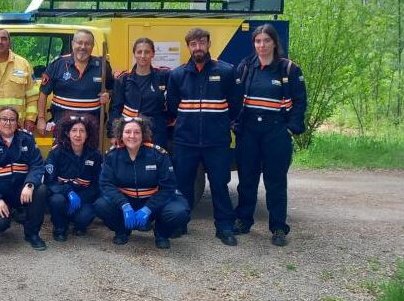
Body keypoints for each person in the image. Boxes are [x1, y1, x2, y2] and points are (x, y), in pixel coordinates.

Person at [166, 27, 241, 246]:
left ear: (208, 44)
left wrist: (221, 125)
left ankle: (224, 227)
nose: (198, 47)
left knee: (219, 184)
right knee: (184, 184)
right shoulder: (178, 74)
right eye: (193, 43)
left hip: (216, 141)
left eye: (201, 42)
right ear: (188, 46)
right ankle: (181, 223)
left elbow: (236, 105)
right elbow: (172, 106)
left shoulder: (226, 71)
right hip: (185, 141)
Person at [233, 24, 307, 247]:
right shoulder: (246, 66)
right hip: (249, 131)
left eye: (266, 41)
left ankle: (277, 227)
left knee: (275, 182)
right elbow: (235, 98)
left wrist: (290, 129)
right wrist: (236, 123)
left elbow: (300, 102)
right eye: (258, 41)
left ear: (275, 43)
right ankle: (244, 220)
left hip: (276, 131)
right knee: (247, 179)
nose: (262, 45)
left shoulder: (289, 70)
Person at [93, 118, 190, 249]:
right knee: (101, 205)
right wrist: (124, 205)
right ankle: (122, 231)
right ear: (121, 134)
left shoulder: (158, 154)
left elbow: (168, 187)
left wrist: (148, 208)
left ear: (143, 134)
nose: (132, 136)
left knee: (179, 211)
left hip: (153, 203)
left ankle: (161, 234)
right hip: (127, 202)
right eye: (127, 132)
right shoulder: (112, 155)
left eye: (136, 132)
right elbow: (106, 184)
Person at [0, 107, 47, 250]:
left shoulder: (27, 138)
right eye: (4, 119)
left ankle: (32, 234)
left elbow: (37, 164)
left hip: (21, 191)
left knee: (41, 190)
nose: (8, 123)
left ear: (17, 122)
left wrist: (30, 184)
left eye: (12, 120)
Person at [36, 29, 114, 141]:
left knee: (89, 158)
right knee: (62, 157)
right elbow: (43, 92)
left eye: (87, 44)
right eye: (79, 42)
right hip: (63, 127)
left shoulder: (102, 66)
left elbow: (112, 89)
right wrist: (41, 118)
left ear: (92, 46)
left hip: (90, 128)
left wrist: (107, 95)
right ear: (73, 44)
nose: (83, 47)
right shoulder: (58, 65)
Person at [44, 113, 102, 242]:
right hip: (62, 195)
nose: (78, 135)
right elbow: (50, 181)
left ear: (88, 134)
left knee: (85, 217)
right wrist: (68, 192)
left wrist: (80, 198)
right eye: (74, 130)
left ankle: (78, 225)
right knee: (56, 201)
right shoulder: (56, 153)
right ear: (67, 133)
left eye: (82, 131)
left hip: (84, 196)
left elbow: (97, 185)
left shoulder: (95, 155)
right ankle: (60, 228)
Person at [110, 37, 171, 149]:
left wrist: (163, 120)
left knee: (155, 164)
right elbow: (116, 109)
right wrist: (113, 134)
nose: (143, 56)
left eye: (147, 52)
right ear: (134, 54)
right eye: (139, 52)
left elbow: (173, 101)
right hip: (131, 132)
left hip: (156, 133)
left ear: (153, 54)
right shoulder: (123, 79)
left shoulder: (163, 76)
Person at [0, 29, 39, 132]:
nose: (0, 42)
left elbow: (32, 96)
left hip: (16, 126)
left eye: (4, 39)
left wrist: (30, 119)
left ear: (9, 42)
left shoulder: (24, 65)